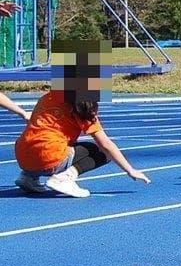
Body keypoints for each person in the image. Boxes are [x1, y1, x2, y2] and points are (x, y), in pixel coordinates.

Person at [13, 42, 151, 198]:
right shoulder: (82, 106)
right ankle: (64, 178)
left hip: (22, 156)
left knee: (52, 140)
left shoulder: (47, 97)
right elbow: (106, 145)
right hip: (49, 158)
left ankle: (28, 177)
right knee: (101, 152)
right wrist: (130, 170)